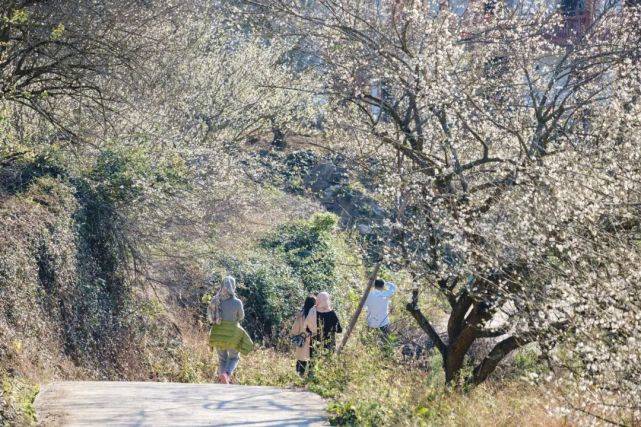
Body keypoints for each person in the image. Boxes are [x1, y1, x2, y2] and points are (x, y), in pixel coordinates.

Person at [207, 275, 253, 384]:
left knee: (222, 359)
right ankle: (226, 374)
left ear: (222, 285)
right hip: (232, 335)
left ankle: (223, 380)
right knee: (234, 358)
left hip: (217, 333)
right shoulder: (237, 302)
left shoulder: (215, 300)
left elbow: (210, 316)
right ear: (234, 287)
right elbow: (241, 317)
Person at [290, 296, 317, 376]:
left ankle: (299, 377)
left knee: (301, 360)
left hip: (303, 340)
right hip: (313, 340)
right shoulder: (316, 314)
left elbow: (294, 330)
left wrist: (296, 335)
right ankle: (311, 377)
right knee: (312, 360)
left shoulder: (300, 315)